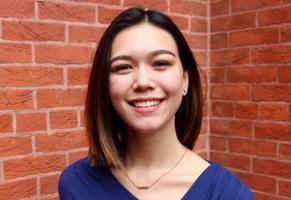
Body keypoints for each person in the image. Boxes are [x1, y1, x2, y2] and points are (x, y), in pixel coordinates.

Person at [58, 7, 253, 200]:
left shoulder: (228, 193)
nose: (143, 82)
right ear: (105, 86)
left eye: (160, 63)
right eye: (123, 67)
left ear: (185, 79)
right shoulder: (75, 184)